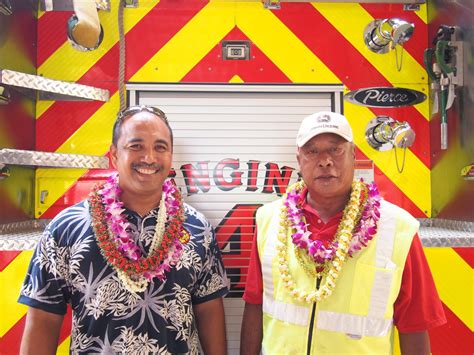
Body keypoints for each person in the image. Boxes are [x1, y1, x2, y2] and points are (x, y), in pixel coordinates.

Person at [18, 105, 229, 354]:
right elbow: (43, 319)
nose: (149, 157)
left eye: (160, 147)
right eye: (136, 146)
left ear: (171, 156)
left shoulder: (196, 228)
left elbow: (208, 310)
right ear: (114, 155)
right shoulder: (66, 228)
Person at [240, 111, 446, 354]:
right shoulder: (269, 219)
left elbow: (415, 324)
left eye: (336, 149)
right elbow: (255, 305)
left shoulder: (396, 227)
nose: (325, 160)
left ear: (353, 155)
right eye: (312, 150)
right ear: (299, 158)